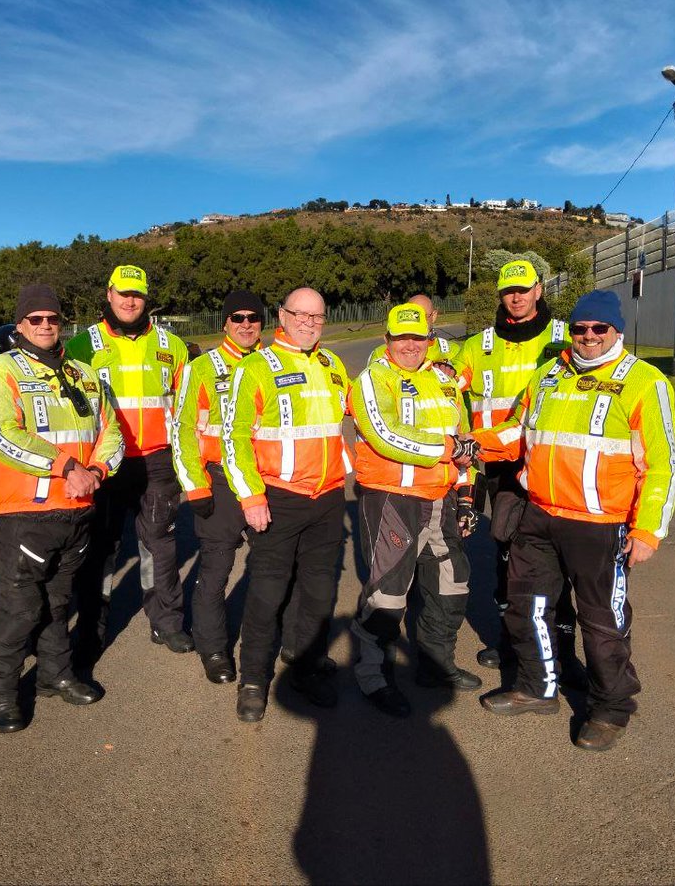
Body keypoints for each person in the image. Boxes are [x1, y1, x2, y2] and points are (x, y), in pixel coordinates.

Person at [467, 290, 675, 750]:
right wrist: (470, 444)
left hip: (601, 525)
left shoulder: (646, 382)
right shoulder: (548, 375)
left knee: (602, 622)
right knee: (526, 607)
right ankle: (536, 688)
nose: (588, 336)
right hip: (539, 515)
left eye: (599, 328)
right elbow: (518, 432)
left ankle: (610, 709)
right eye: (581, 328)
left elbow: (663, 466)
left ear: (616, 332)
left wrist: (648, 530)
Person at [0, 284, 124, 733]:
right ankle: (1, 693)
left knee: (59, 603)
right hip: (26, 513)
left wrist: (96, 470)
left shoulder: (84, 373)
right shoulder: (0, 370)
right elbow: (1, 435)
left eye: (52, 318)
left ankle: (54, 675)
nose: (45, 325)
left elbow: (112, 431)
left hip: (78, 508)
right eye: (35, 319)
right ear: (21, 324)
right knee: (20, 609)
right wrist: (66, 467)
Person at [223, 286, 351, 722]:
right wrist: (251, 496)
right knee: (267, 593)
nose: (309, 323)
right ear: (282, 316)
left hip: (328, 499)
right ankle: (253, 679)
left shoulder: (332, 364)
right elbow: (235, 438)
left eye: (317, 317)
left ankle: (304, 664)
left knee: (318, 592)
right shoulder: (256, 367)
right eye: (301, 315)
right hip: (278, 498)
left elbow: (360, 406)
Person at [349, 304, 480, 718]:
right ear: (387, 339)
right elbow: (385, 435)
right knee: (388, 593)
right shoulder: (373, 379)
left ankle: (435, 665)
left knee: (451, 583)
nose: (410, 345)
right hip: (393, 498)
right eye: (401, 337)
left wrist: (466, 495)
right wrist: (448, 449)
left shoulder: (444, 381)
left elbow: (465, 441)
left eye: (417, 338)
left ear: (429, 339)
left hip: (441, 500)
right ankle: (373, 675)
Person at [454, 260, 579, 678]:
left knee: (557, 554)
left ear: (538, 289)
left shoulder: (566, 336)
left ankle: (563, 647)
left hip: (553, 463)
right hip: (501, 465)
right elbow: (446, 382)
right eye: (508, 291)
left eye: (523, 289)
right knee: (507, 550)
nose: (516, 297)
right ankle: (511, 640)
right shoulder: (478, 345)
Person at [65, 266, 192, 657]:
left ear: (146, 297)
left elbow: (185, 407)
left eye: (137, 294)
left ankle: (166, 622)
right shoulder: (82, 345)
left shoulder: (173, 345)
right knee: (101, 548)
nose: (130, 301)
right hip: (106, 461)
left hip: (156, 460)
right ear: (109, 293)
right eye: (123, 293)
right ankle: (91, 630)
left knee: (159, 544)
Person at [171, 290, 266, 685]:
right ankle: (213, 649)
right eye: (237, 317)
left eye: (253, 317)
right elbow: (182, 430)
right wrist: (195, 486)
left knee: (272, 568)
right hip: (221, 480)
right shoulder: (202, 367)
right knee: (216, 570)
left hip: (264, 481)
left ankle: (271, 639)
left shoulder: (271, 363)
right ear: (225, 322)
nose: (246, 324)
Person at [366, 294, 460, 368]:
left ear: (434, 316)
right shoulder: (380, 353)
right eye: (414, 316)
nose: (418, 323)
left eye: (423, 316)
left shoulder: (452, 350)